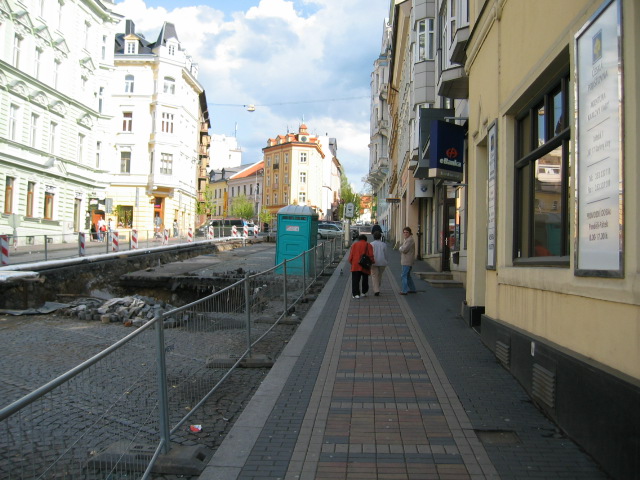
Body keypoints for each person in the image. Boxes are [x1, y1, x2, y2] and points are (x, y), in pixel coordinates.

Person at [348, 234, 374, 299]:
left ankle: (356, 294)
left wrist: (351, 262)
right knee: (365, 279)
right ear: (366, 239)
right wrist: (372, 262)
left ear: (359, 239)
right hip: (365, 265)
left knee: (355, 280)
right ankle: (364, 292)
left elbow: (351, 256)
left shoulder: (354, 245)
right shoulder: (368, 245)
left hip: (355, 264)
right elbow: (371, 255)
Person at [399, 226, 416, 295]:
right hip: (407, 260)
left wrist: (400, 248)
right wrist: (402, 248)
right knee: (407, 275)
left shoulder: (409, 240)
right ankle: (412, 289)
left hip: (407, 260)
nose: (405, 233)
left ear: (410, 233)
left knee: (404, 275)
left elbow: (404, 250)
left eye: (407, 232)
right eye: (404, 232)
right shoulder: (407, 239)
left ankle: (404, 290)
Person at [370, 230, 387, 296]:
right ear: (380, 237)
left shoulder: (371, 244)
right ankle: (377, 287)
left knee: (374, 276)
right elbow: (386, 254)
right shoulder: (384, 244)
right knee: (380, 275)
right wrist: (386, 261)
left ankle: (376, 290)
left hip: (373, 262)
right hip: (382, 262)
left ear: (373, 237)